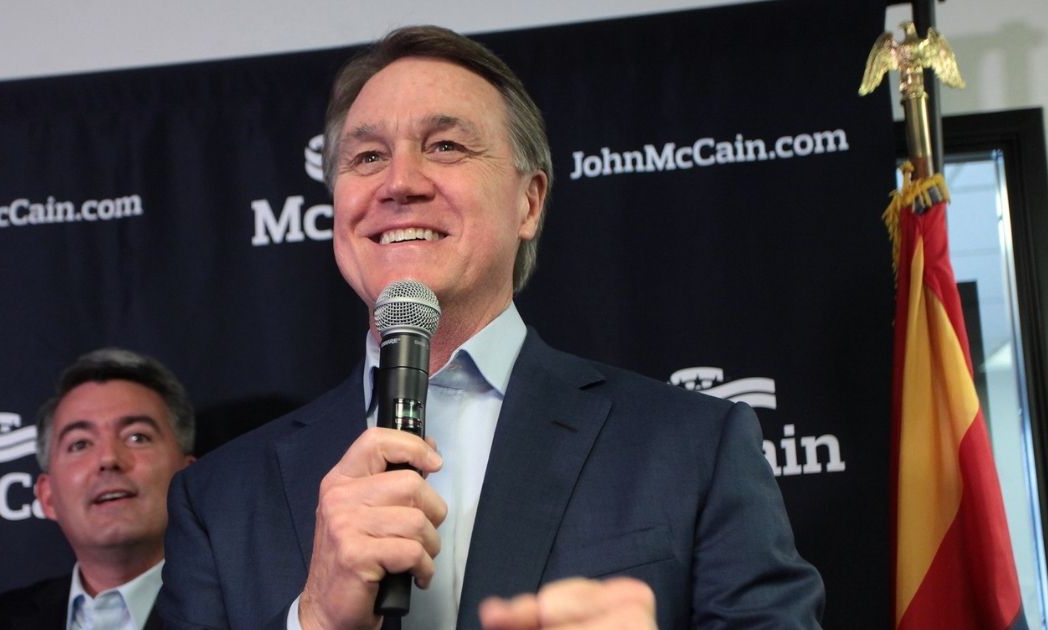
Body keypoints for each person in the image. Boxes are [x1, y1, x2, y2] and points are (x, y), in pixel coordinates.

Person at [159, 25, 824, 630]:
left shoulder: (693, 449)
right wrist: (315, 622)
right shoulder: (217, 501)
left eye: (445, 145)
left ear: (529, 201)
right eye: (366, 157)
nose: (399, 183)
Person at [0, 348, 196, 630]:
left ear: (190, 479)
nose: (108, 459)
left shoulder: (243, 613)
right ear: (47, 497)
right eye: (80, 444)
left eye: (137, 437)